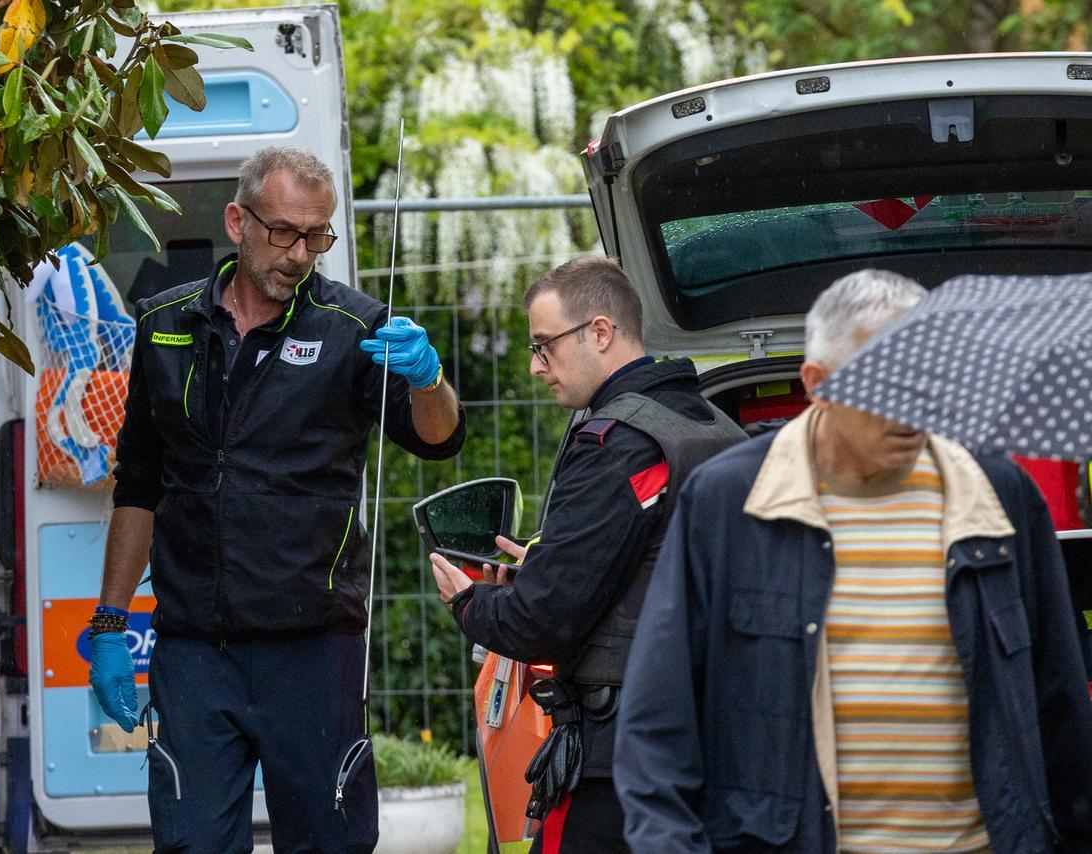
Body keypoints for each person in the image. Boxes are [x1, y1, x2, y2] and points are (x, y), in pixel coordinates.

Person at [615, 269, 1092, 852]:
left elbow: (1061, 708)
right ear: (817, 384)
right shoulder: (728, 503)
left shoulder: (1000, 495)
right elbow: (657, 727)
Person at [87, 146, 466, 853]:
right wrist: (110, 623)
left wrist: (428, 378)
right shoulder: (164, 324)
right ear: (237, 221)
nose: (299, 254)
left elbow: (438, 438)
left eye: (317, 236)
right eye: (284, 231)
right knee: (191, 844)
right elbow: (138, 481)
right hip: (195, 649)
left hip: (313, 649)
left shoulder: (354, 328)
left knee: (327, 842)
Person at [430, 257, 746, 852]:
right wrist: (544, 567)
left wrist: (470, 601)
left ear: (600, 332)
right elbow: (655, 569)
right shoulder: (719, 429)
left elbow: (541, 621)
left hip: (622, 754)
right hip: (717, 735)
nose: (535, 366)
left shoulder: (615, 444)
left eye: (544, 345)